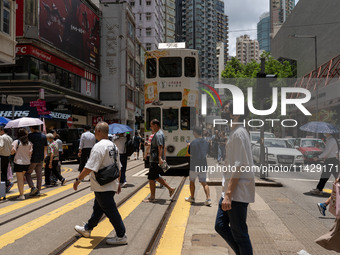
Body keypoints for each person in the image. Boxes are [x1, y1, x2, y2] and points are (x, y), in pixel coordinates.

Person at [73, 122, 127, 245]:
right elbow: (118, 167)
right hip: (110, 183)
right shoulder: (113, 146)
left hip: (102, 184)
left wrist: (78, 179)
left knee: (111, 211)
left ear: (97, 131)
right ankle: (88, 228)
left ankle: (121, 235)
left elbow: (89, 167)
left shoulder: (98, 147)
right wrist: (118, 182)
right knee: (98, 208)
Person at [215, 101, 255, 255]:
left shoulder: (239, 133)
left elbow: (239, 166)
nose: (224, 113)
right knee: (220, 225)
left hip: (236, 194)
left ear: (235, 114)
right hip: (230, 192)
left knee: (240, 235)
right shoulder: (236, 132)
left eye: (226, 110)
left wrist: (229, 195)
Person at [143, 119, 175, 203]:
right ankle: (170, 189)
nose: (150, 127)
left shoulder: (158, 134)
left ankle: (152, 197)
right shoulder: (158, 134)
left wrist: (160, 158)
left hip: (155, 160)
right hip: (155, 159)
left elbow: (160, 146)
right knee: (155, 176)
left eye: (151, 125)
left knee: (151, 178)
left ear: (156, 125)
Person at [185, 127, 211, 206]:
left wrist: (188, 145)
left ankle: (192, 197)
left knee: (192, 181)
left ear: (195, 132)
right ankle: (208, 199)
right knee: (204, 182)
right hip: (203, 164)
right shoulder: (206, 142)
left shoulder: (193, 142)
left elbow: (190, 153)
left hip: (194, 165)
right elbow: (208, 152)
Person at [11, 128, 33, 200]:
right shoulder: (29, 143)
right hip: (26, 163)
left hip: (18, 162)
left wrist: (11, 151)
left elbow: (13, 151)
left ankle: (21, 195)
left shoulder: (16, 142)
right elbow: (30, 153)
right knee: (22, 178)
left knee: (20, 179)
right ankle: (22, 192)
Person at [25, 125, 47, 196]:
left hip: (32, 158)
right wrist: (43, 157)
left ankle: (32, 187)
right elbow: (45, 148)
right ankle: (38, 190)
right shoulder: (44, 136)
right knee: (39, 174)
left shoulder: (29, 136)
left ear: (31, 128)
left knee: (28, 173)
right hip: (40, 158)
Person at [0, 126, 13, 193]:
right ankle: (5, 186)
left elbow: (0, 146)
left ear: (2, 130)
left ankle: (7, 183)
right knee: (4, 171)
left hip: (1, 156)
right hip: (7, 157)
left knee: (0, 172)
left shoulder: (1, 137)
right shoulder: (10, 138)